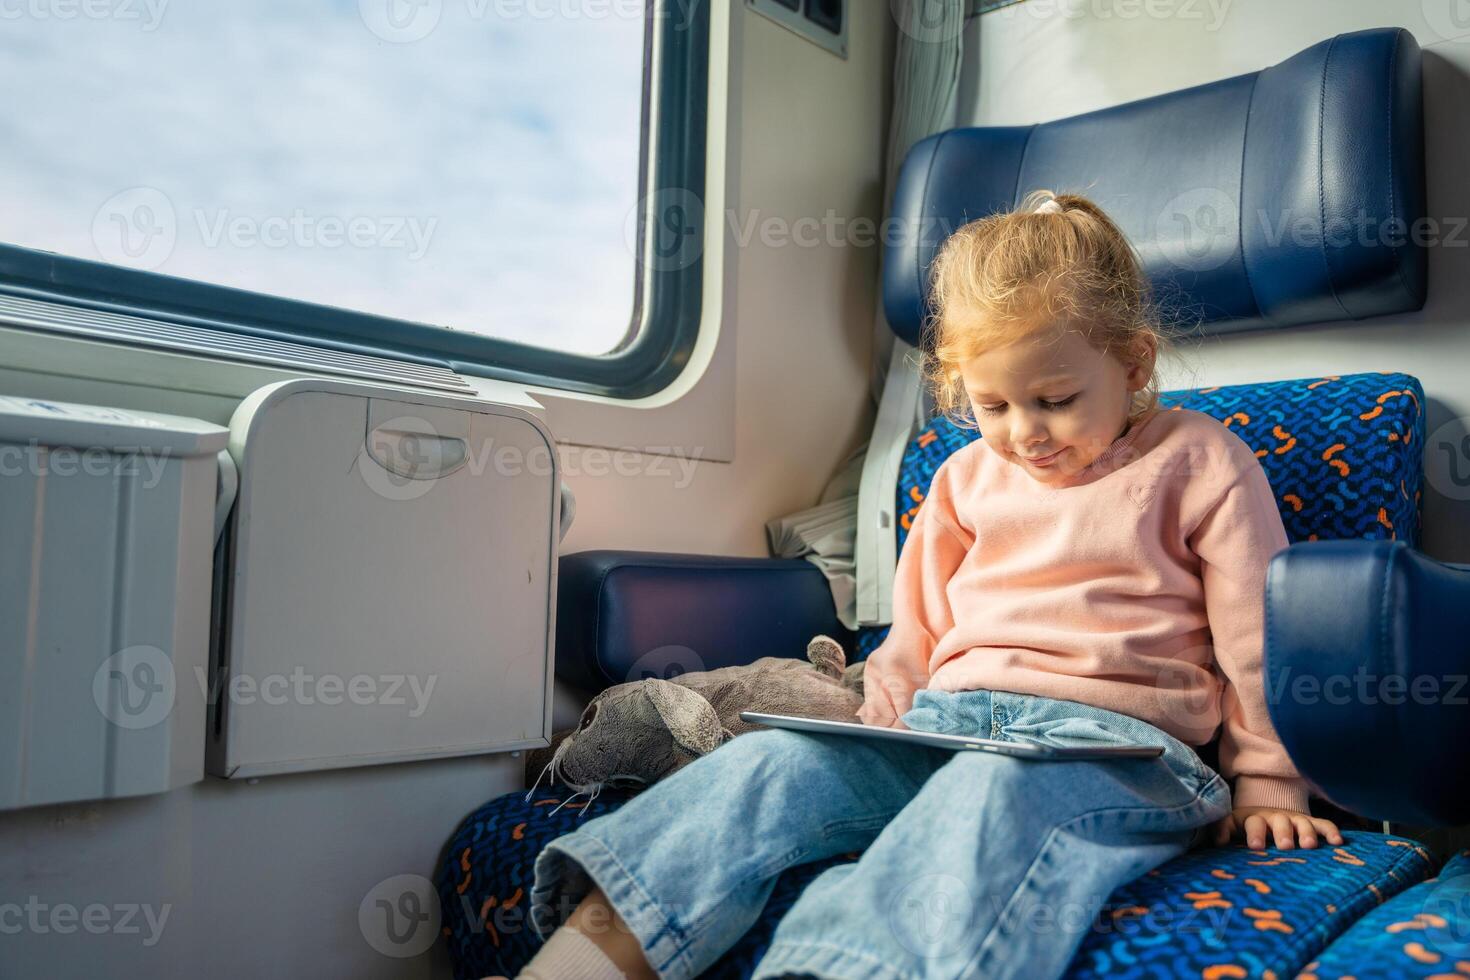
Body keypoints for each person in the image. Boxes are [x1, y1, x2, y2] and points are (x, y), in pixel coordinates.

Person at [495, 191, 1342, 980]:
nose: (1025, 433)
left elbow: (1259, 637)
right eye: (994, 405)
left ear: (1133, 362)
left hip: (1117, 753)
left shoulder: (1199, 462)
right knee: (770, 769)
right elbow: (918, 632)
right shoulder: (962, 481)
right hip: (943, 731)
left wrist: (1269, 772)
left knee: (992, 794)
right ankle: (589, 955)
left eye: (1055, 399)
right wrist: (884, 711)